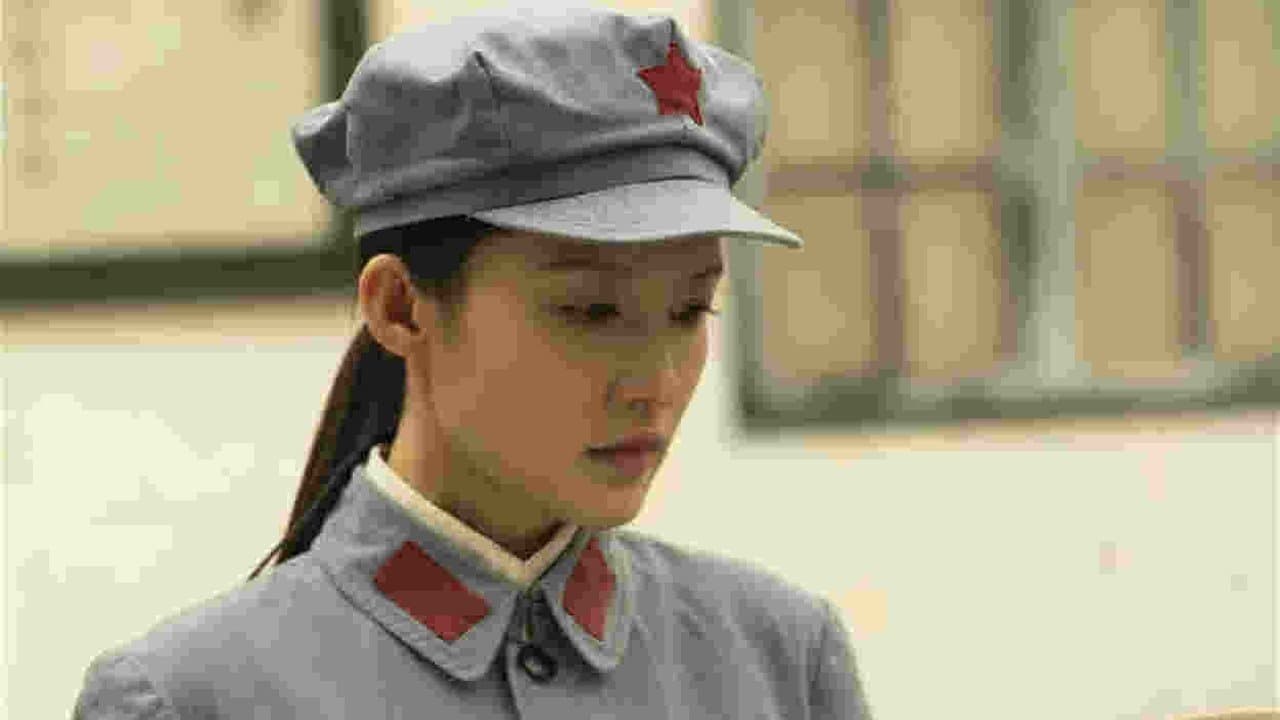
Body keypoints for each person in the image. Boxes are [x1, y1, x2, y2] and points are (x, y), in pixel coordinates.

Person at [73, 4, 875, 717]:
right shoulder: (190, 698)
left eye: (690, 309)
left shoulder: (778, 662)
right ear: (399, 307)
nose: (657, 382)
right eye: (590, 311)